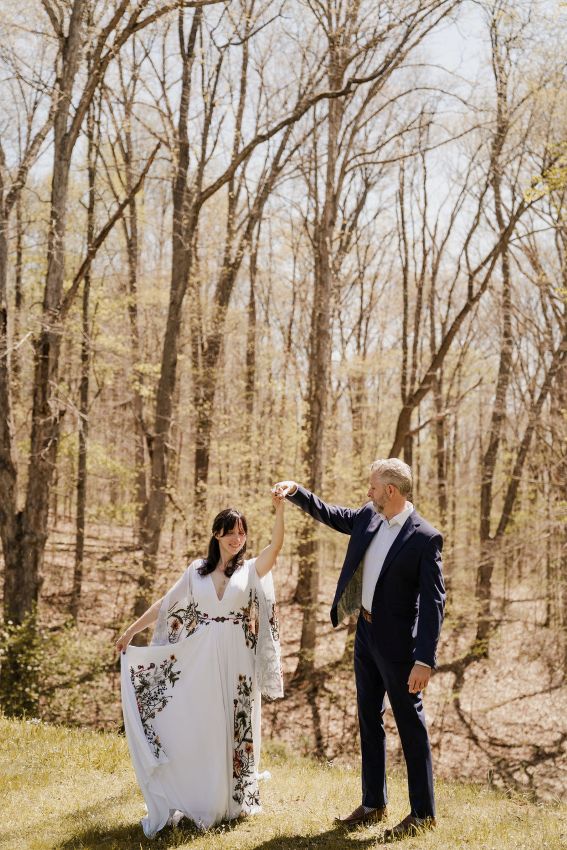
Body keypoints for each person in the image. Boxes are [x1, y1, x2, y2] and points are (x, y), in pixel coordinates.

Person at [274, 459, 445, 840]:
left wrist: (424, 659)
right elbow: (333, 515)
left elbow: (434, 605)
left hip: (401, 650)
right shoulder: (369, 516)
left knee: (410, 727)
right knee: (368, 718)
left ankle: (422, 812)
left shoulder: (425, 538)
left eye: (373, 487)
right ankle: (373, 804)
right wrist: (297, 491)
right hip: (364, 635)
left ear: (391, 491)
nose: (367, 493)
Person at [116, 492, 285, 837]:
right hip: (202, 655)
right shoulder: (196, 571)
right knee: (206, 723)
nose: (238, 539)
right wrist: (131, 631)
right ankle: (202, 796)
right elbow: (165, 605)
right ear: (217, 535)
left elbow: (276, 547)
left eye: (242, 533)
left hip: (238, 656)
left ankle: (233, 801)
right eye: (231, 532)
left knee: (234, 722)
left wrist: (280, 510)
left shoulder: (251, 569)